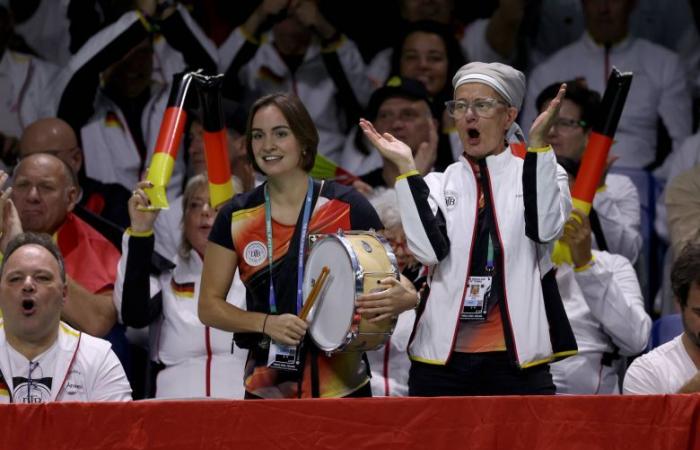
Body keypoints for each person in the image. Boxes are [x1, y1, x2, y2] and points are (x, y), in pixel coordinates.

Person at [360, 61, 576, 396]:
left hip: (517, 361)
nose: (469, 115)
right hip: (441, 364)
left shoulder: (541, 171)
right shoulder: (434, 182)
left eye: (482, 105)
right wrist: (406, 169)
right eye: (460, 106)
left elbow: (545, 230)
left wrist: (538, 147)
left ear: (508, 116)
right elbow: (427, 251)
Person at [198, 92, 418, 399]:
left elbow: (397, 280)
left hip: (344, 388)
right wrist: (265, 323)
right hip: (267, 388)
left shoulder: (347, 204)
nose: (268, 145)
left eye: (280, 133)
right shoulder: (236, 215)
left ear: (304, 141)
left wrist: (406, 298)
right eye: (258, 136)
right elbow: (209, 306)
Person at [114, 174, 247, 399]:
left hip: (243, 411)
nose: (205, 211)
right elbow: (132, 315)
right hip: (174, 413)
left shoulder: (256, 276)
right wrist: (140, 230)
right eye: (195, 205)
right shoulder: (165, 275)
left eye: (217, 205)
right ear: (184, 219)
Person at [521, 0, 692, 170]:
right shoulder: (549, 70)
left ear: (632, 4)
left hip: (641, 180)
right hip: (565, 180)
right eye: (594, 1)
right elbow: (530, 142)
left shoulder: (665, 63)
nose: (603, 8)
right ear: (582, 4)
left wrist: (656, 185)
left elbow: (683, 145)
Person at [218, 0, 373, 163]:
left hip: (327, 160)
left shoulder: (333, 49)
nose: (292, 6)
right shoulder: (254, 51)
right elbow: (217, 78)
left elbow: (364, 97)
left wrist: (324, 27)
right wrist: (258, 15)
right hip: (268, 160)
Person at [549, 162, 650, 394]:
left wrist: (586, 266)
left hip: (591, 405)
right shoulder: (515, 261)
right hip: (522, 398)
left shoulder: (614, 265)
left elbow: (637, 340)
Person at [0, 232, 131, 403]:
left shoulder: (97, 359)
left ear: (64, 293)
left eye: (42, 278)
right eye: (15, 279)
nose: (28, 285)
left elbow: (118, 429)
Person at [5, 153, 120, 338]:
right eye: (23, 185)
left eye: (46, 187)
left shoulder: (93, 246)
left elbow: (98, 323)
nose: (32, 196)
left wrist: (21, 246)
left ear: (71, 198)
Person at [535, 82, 642, 264]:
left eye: (564, 123)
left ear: (589, 135)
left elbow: (626, 255)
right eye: (546, 121)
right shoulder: (519, 179)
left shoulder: (619, 187)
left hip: (592, 287)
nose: (551, 131)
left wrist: (596, 189)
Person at [18, 117, 132, 230]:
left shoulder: (114, 203)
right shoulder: (12, 211)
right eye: (27, 159)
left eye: (48, 157)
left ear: (75, 159)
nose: (36, 166)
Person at [623, 242, 700, 394]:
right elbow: (650, 419)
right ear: (679, 303)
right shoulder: (646, 373)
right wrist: (691, 393)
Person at [340, 77, 438, 190]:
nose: (396, 124)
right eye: (385, 116)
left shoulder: (452, 183)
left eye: (408, 114)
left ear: (433, 126)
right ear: (374, 127)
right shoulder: (353, 191)